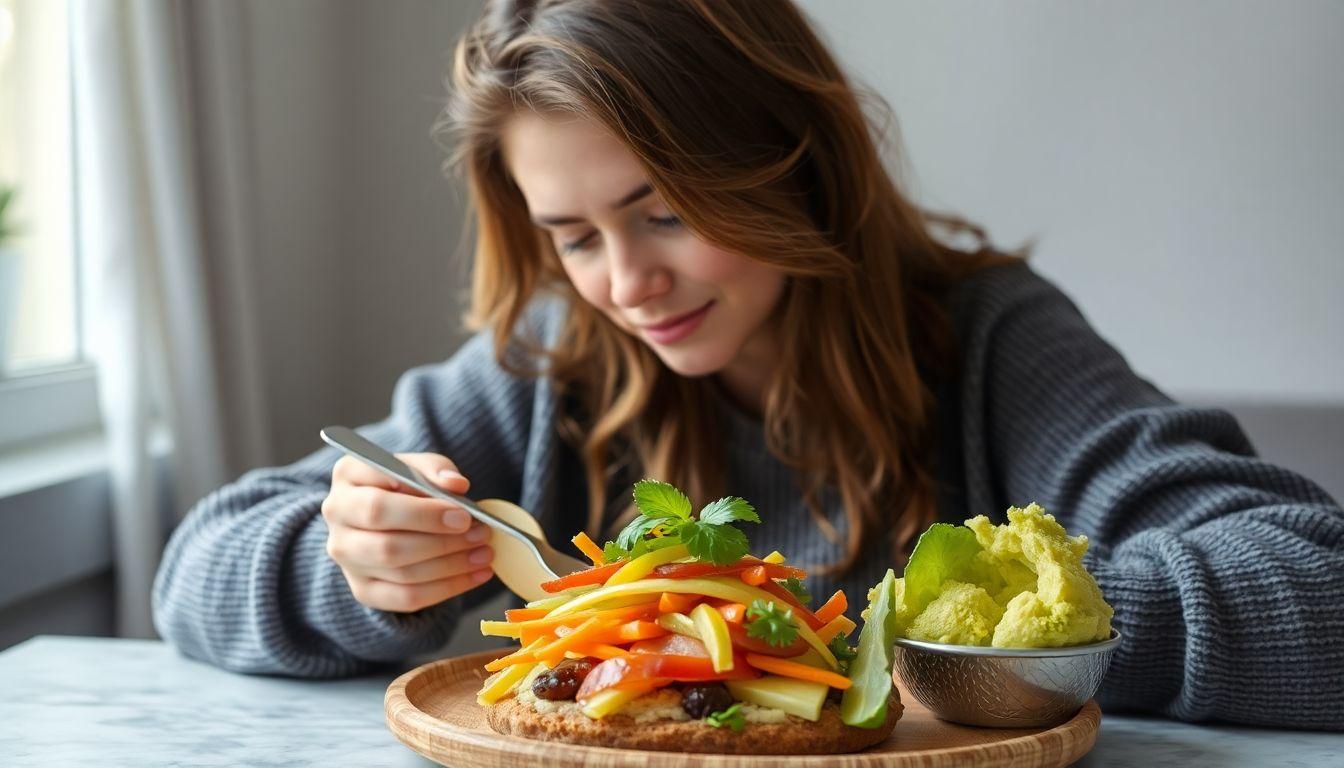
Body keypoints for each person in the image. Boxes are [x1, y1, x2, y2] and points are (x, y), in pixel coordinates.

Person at [152, 0, 1343, 730]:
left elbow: (1316, 583)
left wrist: (984, 639)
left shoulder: (990, 342)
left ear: (791, 163)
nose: (627, 284)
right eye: (574, 238)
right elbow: (194, 571)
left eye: (664, 213)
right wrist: (357, 568)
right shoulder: (553, 367)